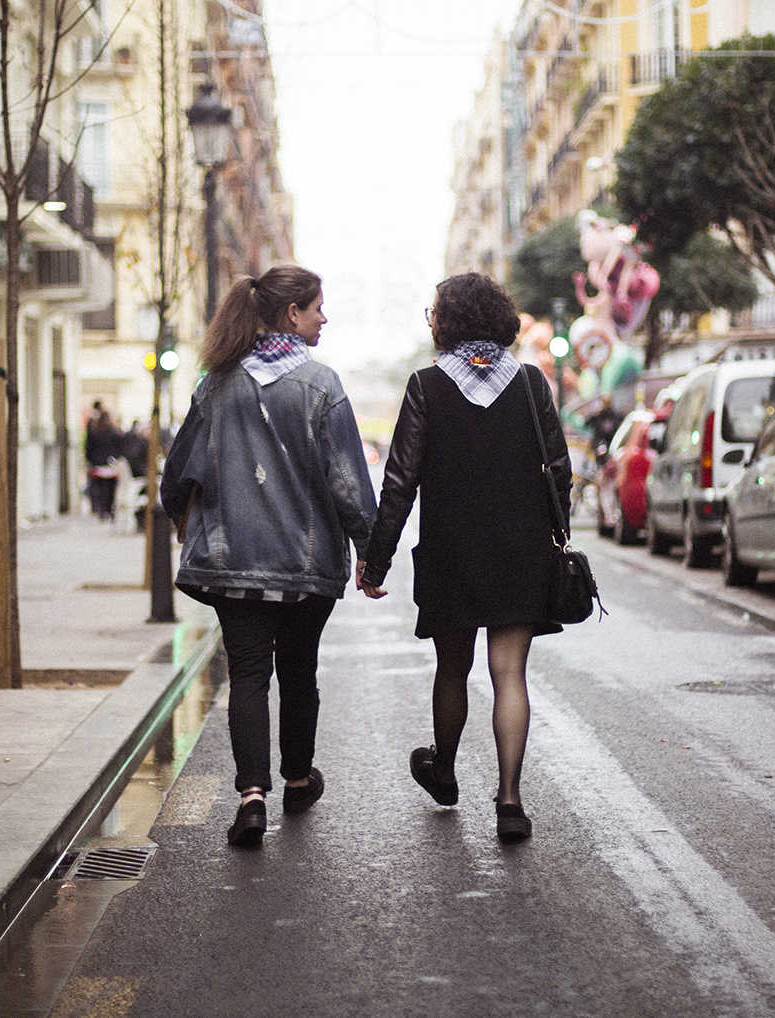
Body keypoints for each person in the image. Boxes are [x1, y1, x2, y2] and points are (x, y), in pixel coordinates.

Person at [160, 265, 376, 849]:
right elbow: (348, 481)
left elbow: (178, 472)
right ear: (291, 314)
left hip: (233, 562)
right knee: (299, 670)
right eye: (317, 308)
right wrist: (369, 552)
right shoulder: (321, 385)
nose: (324, 318)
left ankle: (251, 798)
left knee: (249, 676)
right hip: (307, 567)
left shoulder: (215, 385)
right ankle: (298, 780)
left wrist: (181, 518)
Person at [357, 272, 571, 844]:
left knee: (452, 667)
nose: (430, 320)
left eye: (434, 312)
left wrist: (375, 561)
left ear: (448, 321)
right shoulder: (530, 382)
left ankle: (445, 770)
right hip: (521, 549)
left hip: (451, 550)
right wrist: (557, 539)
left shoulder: (426, 385)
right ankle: (510, 801)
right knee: (510, 674)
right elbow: (559, 470)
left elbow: (399, 482)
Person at [84, 403, 124, 521]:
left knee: (99, 488)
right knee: (110, 488)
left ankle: (101, 510)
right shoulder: (114, 432)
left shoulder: (94, 431)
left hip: (97, 464)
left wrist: (89, 460)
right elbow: (120, 447)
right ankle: (109, 509)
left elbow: (88, 448)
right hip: (110, 464)